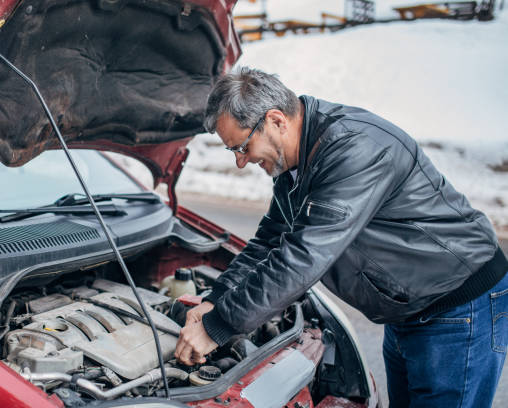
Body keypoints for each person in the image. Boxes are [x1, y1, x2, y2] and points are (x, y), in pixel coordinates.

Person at [174, 67, 508, 407]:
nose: (241, 162)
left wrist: (218, 325)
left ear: (276, 120)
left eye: (242, 147)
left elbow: (302, 259)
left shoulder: (354, 150)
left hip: (457, 311)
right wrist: (214, 300)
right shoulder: (297, 162)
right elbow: (269, 241)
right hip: (408, 311)